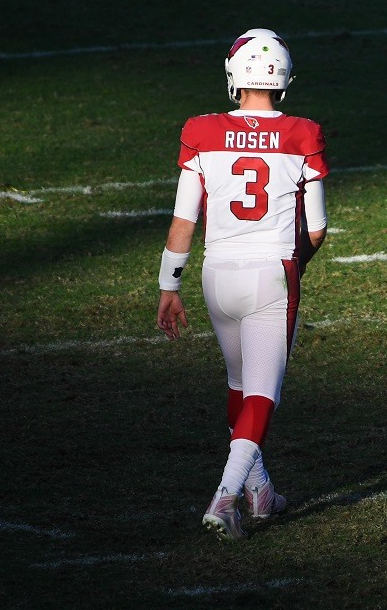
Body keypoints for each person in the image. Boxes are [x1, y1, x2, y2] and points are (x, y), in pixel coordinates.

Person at [155, 28, 329, 541]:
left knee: (237, 384)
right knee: (262, 394)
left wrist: (170, 285)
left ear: (234, 76)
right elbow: (315, 229)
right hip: (272, 271)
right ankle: (226, 495)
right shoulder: (302, 133)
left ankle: (259, 490)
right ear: (284, 78)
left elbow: (183, 221)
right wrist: (294, 266)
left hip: (214, 273)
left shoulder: (202, 130)